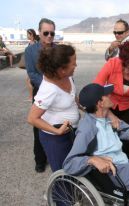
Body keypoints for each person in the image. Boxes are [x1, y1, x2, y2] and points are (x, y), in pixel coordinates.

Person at [94, 39, 129, 156]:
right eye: (123, 65)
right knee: (106, 139)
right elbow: (95, 89)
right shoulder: (112, 63)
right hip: (107, 105)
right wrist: (110, 115)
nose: (126, 71)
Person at [27, 44, 79, 172]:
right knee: (62, 172)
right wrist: (56, 131)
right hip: (55, 139)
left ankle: (71, 190)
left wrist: (86, 107)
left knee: (73, 167)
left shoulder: (67, 76)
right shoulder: (48, 90)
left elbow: (72, 97)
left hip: (71, 132)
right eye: (73, 63)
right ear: (62, 69)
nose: (76, 65)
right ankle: (59, 192)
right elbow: (32, 118)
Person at [25, 18, 57, 172]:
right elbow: (31, 73)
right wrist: (48, 86)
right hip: (41, 92)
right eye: (46, 33)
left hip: (58, 92)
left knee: (56, 124)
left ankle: (56, 155)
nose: (49, 36)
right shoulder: (30, 51)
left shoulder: (58, 50)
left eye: (52, 33)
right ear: (39, 33)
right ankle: (40, 159)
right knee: (38, 126)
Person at [24, 29, 40, 100]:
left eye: (27, 34)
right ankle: (32, 96)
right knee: (30, 81)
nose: (27, 36)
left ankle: (31, 96)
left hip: (32, 66)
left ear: (31, 35)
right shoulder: (36, 42)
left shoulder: (32, 43)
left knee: (29, 81)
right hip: (35, 65)